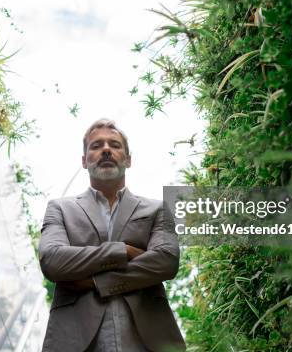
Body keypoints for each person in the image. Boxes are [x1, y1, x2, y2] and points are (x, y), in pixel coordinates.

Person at [38, 119, 186, 352]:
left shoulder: (157, 209)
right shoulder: (59, 208)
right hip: (75, 342)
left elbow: (166, 260)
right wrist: (123, 251)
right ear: (84, 161)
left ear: (128, 159)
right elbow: (52, 261)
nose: (106, 149)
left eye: (114, 145)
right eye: (96, 145)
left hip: (149, 341)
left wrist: (97, 282)